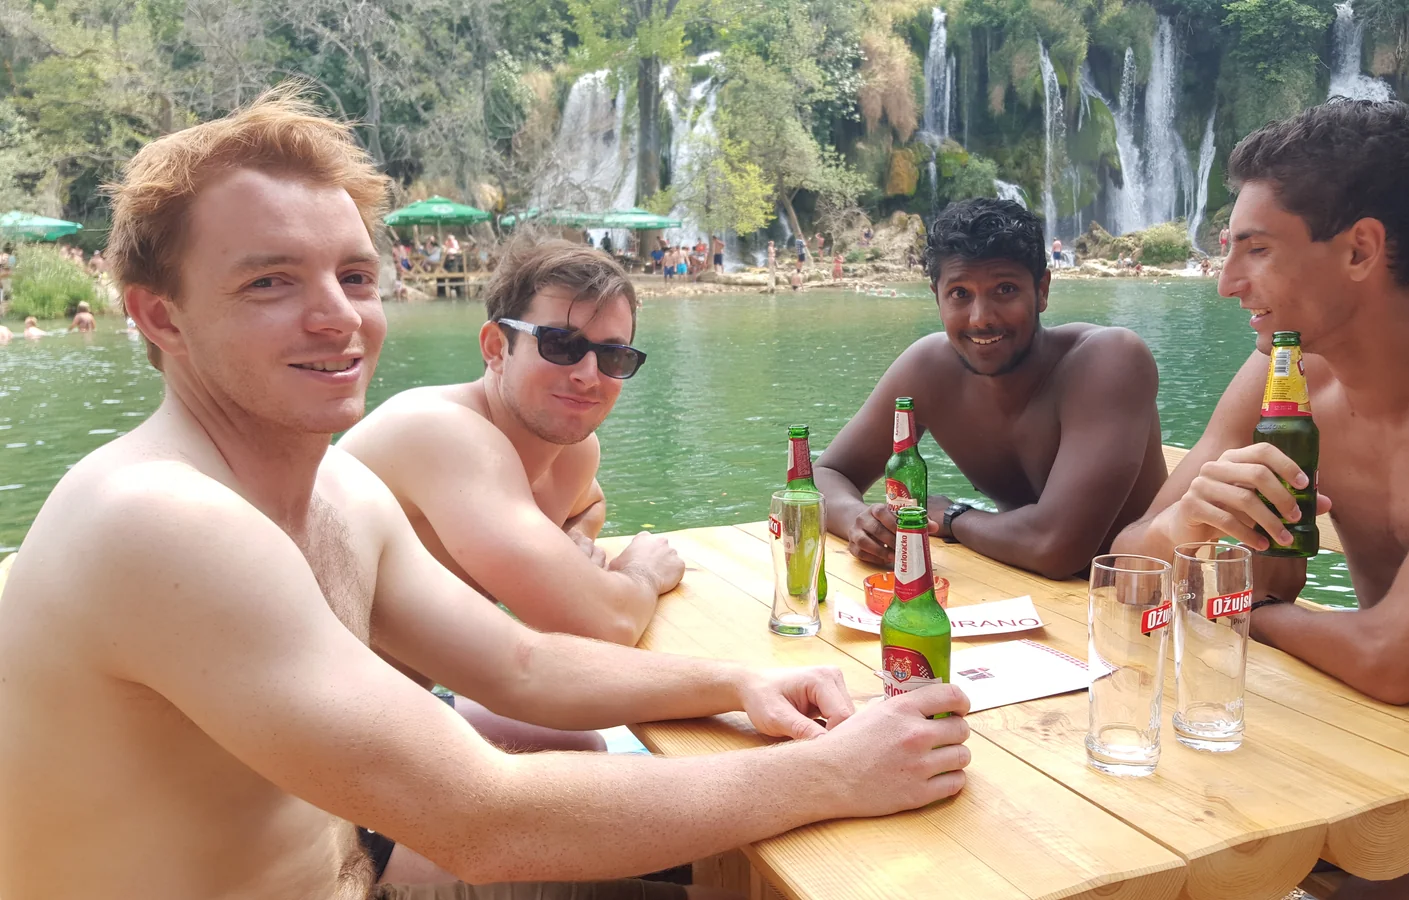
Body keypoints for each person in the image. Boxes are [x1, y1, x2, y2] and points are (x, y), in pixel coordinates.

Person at [0, 85, 972, 900]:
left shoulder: (336, 490)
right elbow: (481, 820)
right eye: (269, 283)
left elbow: (522, 663)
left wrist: (738, 683)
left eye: (355, 276)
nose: (338, 318)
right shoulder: (160, 520)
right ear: (160, 318)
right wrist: (828, 772)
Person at [1112, 99, 1409, 900]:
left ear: (1360, 250)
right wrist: (1184, 519)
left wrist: (1237, 608)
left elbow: (1396, 660)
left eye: (1256, 250)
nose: (1228, 283)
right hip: (1344, 719)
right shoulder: (1281, 376)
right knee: (1119, 824)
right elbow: (1130, 577)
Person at [340, 236, 683, 650]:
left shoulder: (574, 453)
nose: (588, 375)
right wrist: (643, 571)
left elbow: (591, 503)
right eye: (562, 345)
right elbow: (607, 624)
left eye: (614, 355)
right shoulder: (438, 432)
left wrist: (574, 536)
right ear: (496, 348)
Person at [814, 197, 1167, 580]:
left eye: (1005, 289)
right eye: (960, 294)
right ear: (937, 297)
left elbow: (1055, 547)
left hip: (1134, 600)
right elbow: (824, 474)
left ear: (1042, 290)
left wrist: (953, 516)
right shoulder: (929, 370)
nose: (981, 318)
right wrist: (860, 522)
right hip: (1022, 592)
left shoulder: (1109, 361)